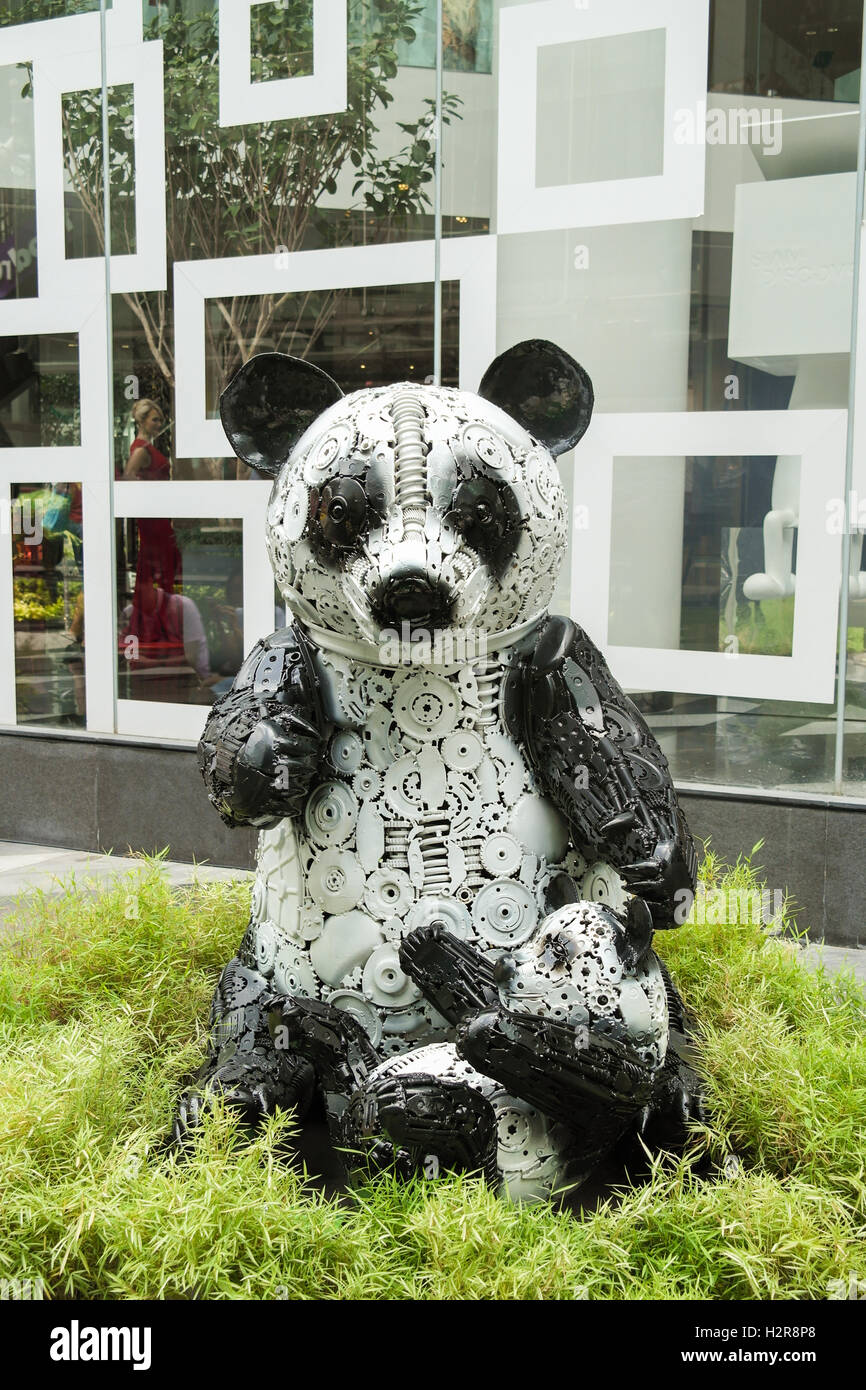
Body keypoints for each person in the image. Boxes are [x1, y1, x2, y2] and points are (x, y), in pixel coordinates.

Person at [121, 399, 182, 593]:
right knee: (161, 557)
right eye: (154, 420)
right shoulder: (141, 449)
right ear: (142, 421)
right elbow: (128, 477)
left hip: (158, 513)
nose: (159, 424)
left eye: (160, 420)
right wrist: (151, 493)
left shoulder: (148, 447)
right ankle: (160, 605)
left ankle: (158, 605)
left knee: (161, 559)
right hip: (152, 516)